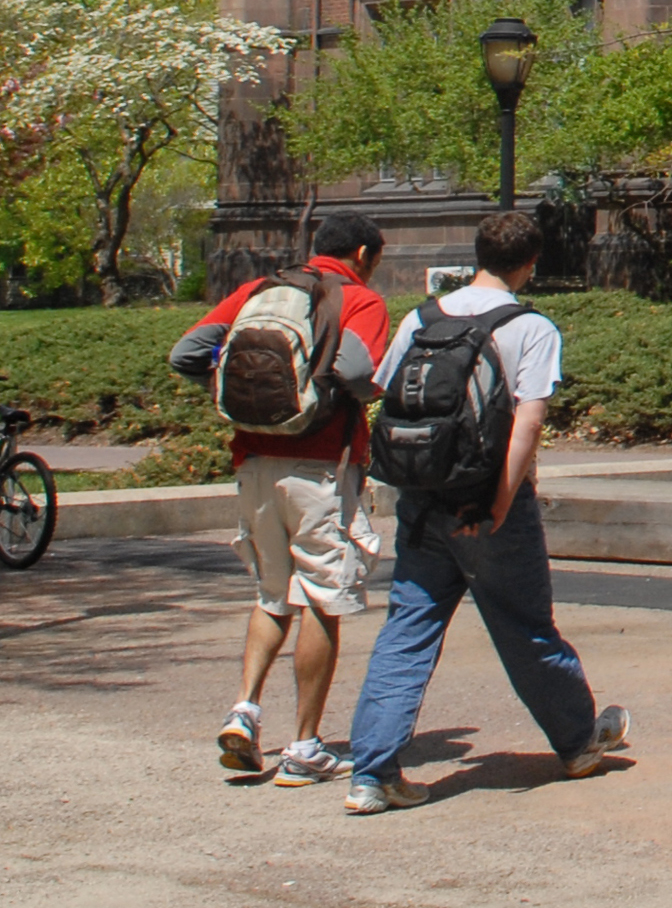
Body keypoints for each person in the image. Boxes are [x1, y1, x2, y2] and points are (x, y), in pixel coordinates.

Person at [344, 207, 628, 812]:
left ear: (476, 254)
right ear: (529, 263)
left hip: (423, 499)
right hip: (490, 501)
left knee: (406, 630)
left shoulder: (420, 318)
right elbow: (526, 423)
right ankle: (579, 742)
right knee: (526, 627)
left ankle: (371, 775)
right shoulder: (532, 327)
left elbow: (385, 395)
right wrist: (500, 504)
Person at [169, 210, 394, 787]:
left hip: (252, 458)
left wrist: (238, 396)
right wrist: (362, 395)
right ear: (364, 255)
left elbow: (186, 354)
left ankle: (244, 710)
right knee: (322, 597)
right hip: (321, 467)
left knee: (273, 593)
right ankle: (304, 747)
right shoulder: (359, 300)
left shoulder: (259, 290)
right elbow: (355, 371)